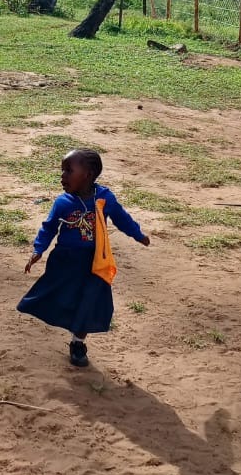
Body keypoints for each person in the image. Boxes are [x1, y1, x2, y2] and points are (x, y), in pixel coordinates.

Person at [18, 148, 150, 368]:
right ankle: (65, 321)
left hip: (95, 262)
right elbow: (49, 228)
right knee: (63, 298)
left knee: (89, 302)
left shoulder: (104, 199)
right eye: (62, 171)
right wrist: (38, 250)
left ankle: (78, 343)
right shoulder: (63, 203)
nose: (62, 176)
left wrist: (138, 235)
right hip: (66, 262)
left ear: (88, 175)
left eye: (68, 171)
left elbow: (121, 218)